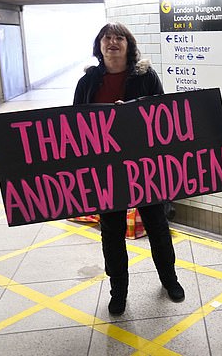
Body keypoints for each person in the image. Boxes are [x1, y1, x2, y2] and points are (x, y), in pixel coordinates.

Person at [73, 22, 184, 316]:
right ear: (99, 45)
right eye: (107, 38)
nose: (112, 42)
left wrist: (132, 109)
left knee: (158, 227)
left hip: (144, 165)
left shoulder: (145, 76)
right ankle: (118, 292)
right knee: (111, 232)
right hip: (106, 170)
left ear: (128, 45)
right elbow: (73, 125)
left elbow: (164, 114)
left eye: (119, 37)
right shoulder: (87, 82)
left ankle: (170, 280)